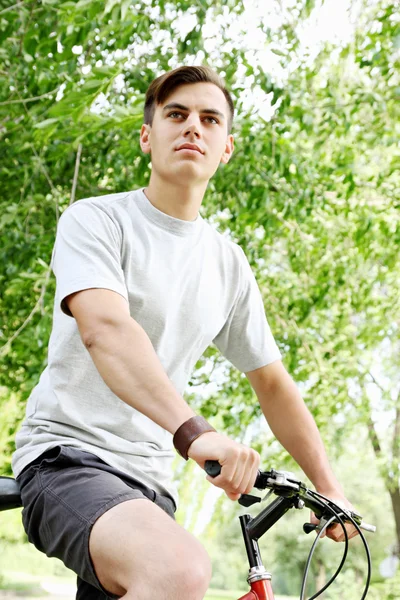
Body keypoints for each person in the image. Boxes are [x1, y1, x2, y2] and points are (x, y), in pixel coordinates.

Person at [12, 65, 357, 600]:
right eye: (176, 115)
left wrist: (330, 489)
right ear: (148, 137)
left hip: (150, 487)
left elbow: (271, 382)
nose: (192, 126)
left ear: (226, 148)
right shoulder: (96, 221)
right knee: (178, 571)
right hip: (67, 460)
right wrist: (196, 435)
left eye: (209, 118)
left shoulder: (227, 263)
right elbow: (106, 330)